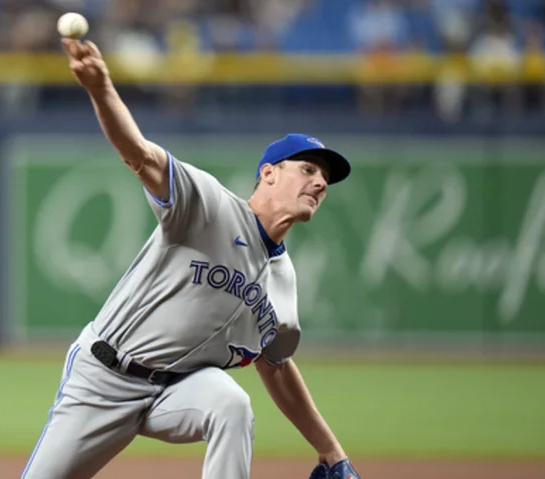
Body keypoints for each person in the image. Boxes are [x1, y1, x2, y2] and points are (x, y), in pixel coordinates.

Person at [20, 37, 361, 479]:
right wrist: (101, 90)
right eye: (309, 170)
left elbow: (275, 365)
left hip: (176, 392)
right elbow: (139, 153)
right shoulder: (209, 205)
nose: (320, 184)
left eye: (326, 179)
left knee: (232, 404)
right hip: (104, 378)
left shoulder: (284, 282)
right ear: (269, 173)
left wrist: (331, 452)